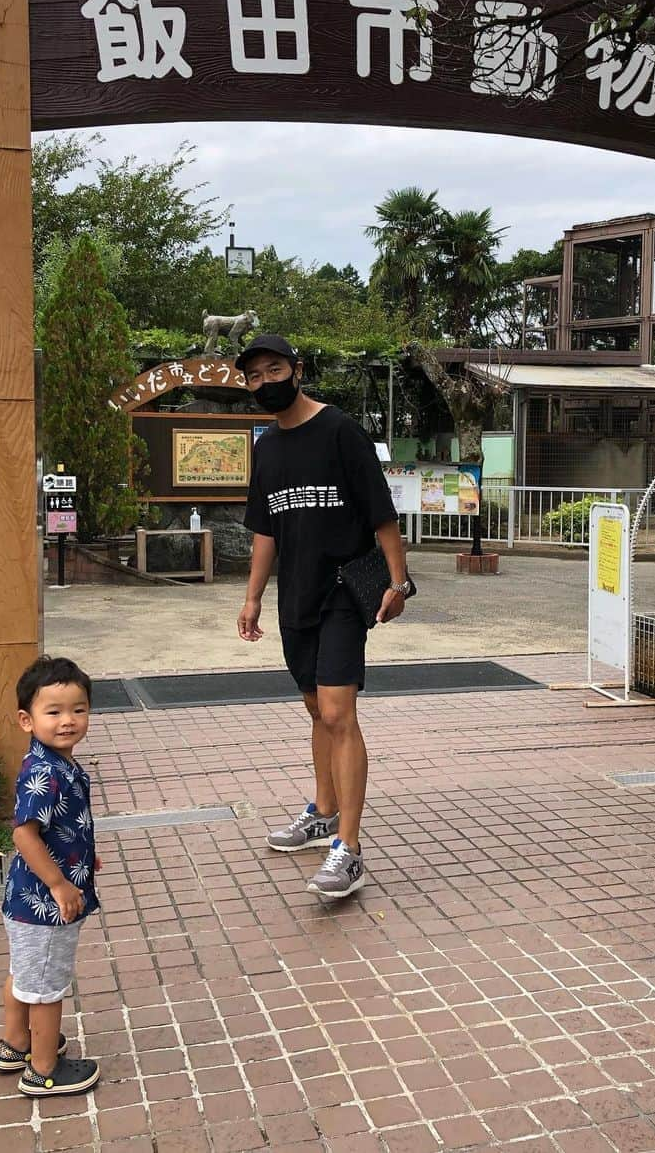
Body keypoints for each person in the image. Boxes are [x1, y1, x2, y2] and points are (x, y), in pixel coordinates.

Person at [236, 334, 411, 900]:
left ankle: (351, 848)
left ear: (297, 369)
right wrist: (253, 596)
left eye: (274, 369)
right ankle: (325, 813)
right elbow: (266, 530)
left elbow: (381, 513)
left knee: (338, 711)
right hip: (298, 594)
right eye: (255, 376)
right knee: (316, 708)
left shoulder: (339, 430)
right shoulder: (266, 449)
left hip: (342, 588)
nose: (266, 381)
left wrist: (399, 580)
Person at [0, 656, 101, 1097]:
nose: (68, 721)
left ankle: (15, 1044)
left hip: (27, 898)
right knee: (47, 986)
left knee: (24, 974)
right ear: (26, 719)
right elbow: (23, 835)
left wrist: (83, 858)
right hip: (45, 905)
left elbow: (59, 828)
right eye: (53, 712)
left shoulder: (57, 764)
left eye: (78, 709)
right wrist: (59, 883)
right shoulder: (46, 772)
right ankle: (43, 1069)